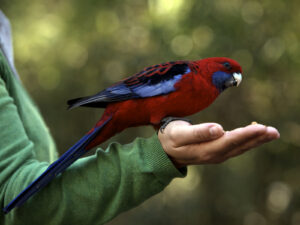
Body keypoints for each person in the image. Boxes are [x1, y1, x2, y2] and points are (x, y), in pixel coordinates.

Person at [0, 10, 279, 225]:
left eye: (235, 75)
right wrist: (164, 129)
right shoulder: (188, 75)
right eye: (229, 69)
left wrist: (168, 146)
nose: (233, 76)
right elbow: (141, 93)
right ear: (213, 66)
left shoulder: (208, 93)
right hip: (124, 106)